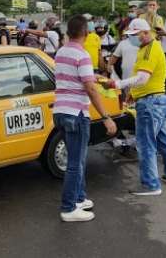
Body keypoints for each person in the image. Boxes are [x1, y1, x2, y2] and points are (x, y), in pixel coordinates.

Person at [105, 18, 166, 195]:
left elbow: (142, 78)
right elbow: (143, 78)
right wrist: (133, 93)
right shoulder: (146, 48)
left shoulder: (149, 50)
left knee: (146, 144)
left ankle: (150, 184)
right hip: (157, 100)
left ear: (145, 32)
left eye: (135, 35)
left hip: (151, 103)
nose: (132, 38)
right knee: (163, 140)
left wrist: (118, 84)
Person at [54, 15, 117, 222]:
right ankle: (68, 208)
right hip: (76, 113)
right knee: (75, 163)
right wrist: (106, 117)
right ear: (86, 33)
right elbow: (89, 88)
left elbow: (77, 78)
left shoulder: (61, 52)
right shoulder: (82, 55)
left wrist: (96, 79)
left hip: (60, 111)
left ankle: (79, 198)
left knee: (77, 160)